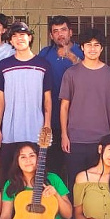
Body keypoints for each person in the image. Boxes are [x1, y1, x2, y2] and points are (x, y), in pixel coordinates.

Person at [60, 28, 110, 191]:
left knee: (99, 185)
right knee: (76, 184)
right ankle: (75, 217)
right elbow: (64, 106)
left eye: (96, 45)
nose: (92, 48)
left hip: (101, 141)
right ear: (82, 47)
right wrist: (64, 135)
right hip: (75, 140)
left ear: (102, 48)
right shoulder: (71, 73)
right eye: (88, 45)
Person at [0, 22, 53, 177]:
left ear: (30, 37)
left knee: (37, 173)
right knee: (9, 173)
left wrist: (47, 125)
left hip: (36, 129)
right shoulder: (4, 65)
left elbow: (47, 99)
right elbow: (1, 100)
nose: (19, 39)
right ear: (10, 41)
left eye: (22, 35)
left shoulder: (43, 64)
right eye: (15, 36)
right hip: (10, 130)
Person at [39, 15, 84, 179]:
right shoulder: (45, 53)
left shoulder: (83, 51)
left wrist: (71, 56)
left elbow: (90, 74)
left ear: (70, 32)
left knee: (76, 168)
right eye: (55, 31)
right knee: (53, 166)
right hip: (51, 120)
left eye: (63, 30)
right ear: (51, 35)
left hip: (77, 121)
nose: (60, 34)